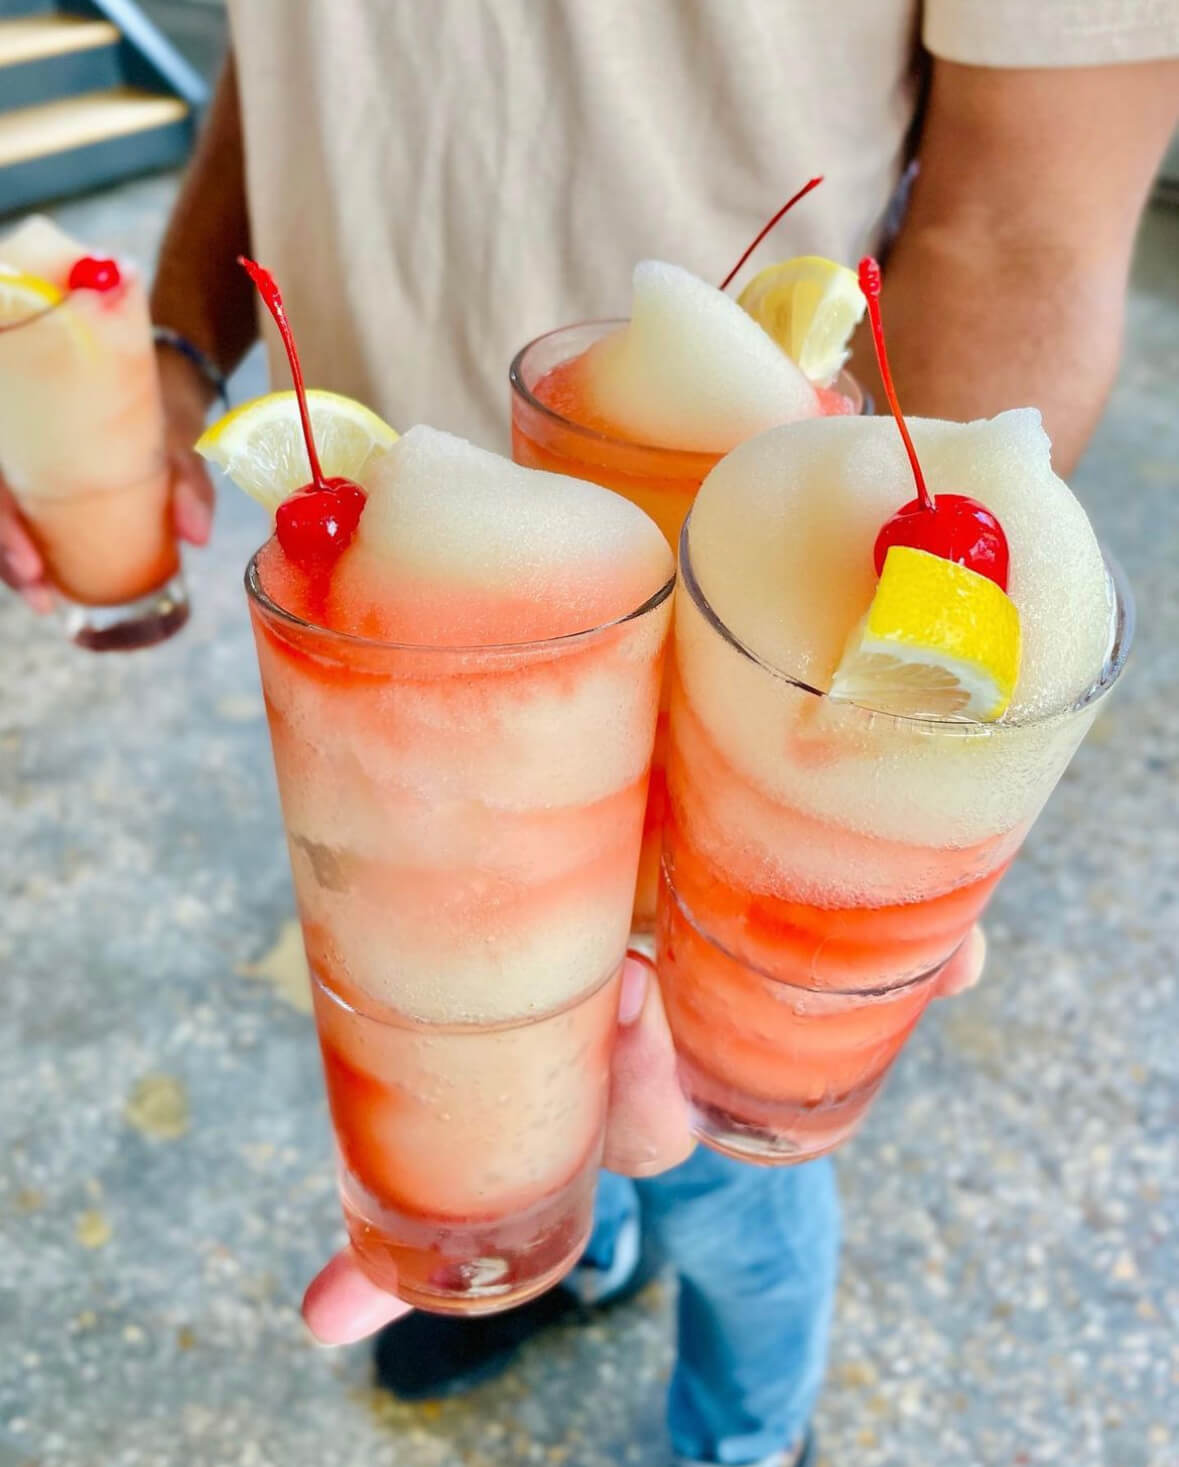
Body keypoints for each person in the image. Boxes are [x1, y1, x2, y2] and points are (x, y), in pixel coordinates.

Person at [2, 4, 1176, 1463]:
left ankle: (746, 1433)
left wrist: (885, 754)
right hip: (378, 615)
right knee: (483, 1043)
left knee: (730, 1148)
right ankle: (584, 1261)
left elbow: (1021, 232)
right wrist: (175, 333)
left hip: (739, 645)